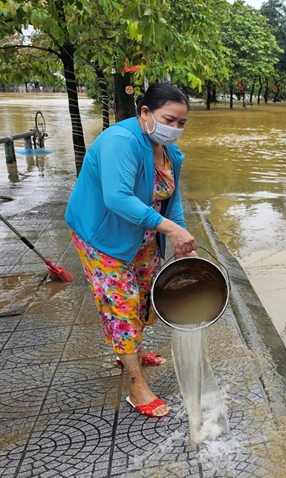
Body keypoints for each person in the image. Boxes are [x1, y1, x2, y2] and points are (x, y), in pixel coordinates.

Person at [65, 82, 198, 418]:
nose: (175, 129)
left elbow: (172, 202)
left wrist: (183, 239)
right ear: (144, 113)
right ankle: (137, 386)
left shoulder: (171, 154)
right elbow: (117, 198)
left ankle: (131, 351)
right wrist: (169, 229)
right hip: (101, 234)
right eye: (170, 119)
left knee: (144, 296)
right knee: (121, 304)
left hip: (141, 233)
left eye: (182, 123)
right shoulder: (120, 142)